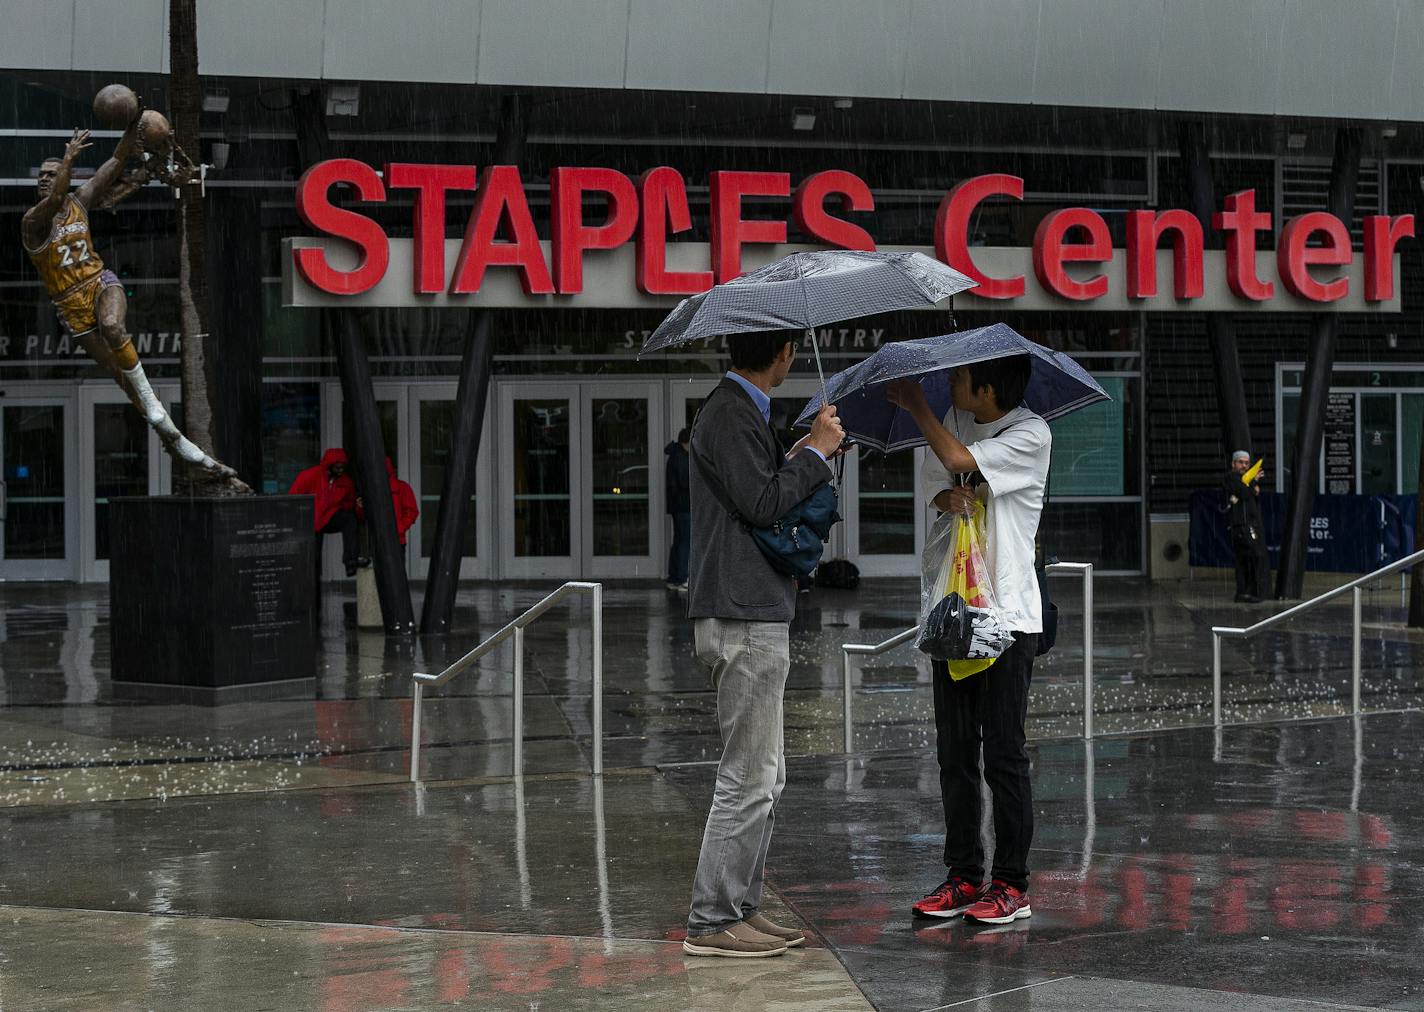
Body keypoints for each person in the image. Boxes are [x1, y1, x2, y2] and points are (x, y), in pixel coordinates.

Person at [682, 332, 845, 958]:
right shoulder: (729, 411)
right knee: (747, 776)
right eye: (791, 352)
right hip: (741, 612)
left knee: (765, 776)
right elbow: (761, 501)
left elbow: (758, 490)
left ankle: (738, 906)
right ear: (784, 355)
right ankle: (713, 918)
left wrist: (805, 449)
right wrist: (817, 455)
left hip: (753, 609)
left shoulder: (739, 411)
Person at [886, 355, 1051, 926]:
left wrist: (916, 407)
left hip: (1007, 618)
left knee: (1003, 756)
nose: (948, 383)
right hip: (953, 616)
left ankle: (1010, 884)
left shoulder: (1031, 433)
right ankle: (963, 876)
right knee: (955, 754)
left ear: (988, 387)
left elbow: (957, 461)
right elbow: (937, 486)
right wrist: (946, 500)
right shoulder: (954, 427)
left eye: (958, 378)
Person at [21, 124, 244, 491]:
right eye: (42, 177)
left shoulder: (79, 201)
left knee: (112, 327)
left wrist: (133, 122)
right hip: (70, 305)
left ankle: (157, 411)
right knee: (120, 379)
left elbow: (117, 160)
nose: (48, 181)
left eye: (52, 174)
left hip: (99, 284)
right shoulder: (31, 223)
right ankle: (179, 443)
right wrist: (68, 160)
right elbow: (57, 195)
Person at [289, 449, 368, 577]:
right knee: (313, 559)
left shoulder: (346, 482)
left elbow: (350, 502)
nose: (341, 470)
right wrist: (299, 519)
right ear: (329, 466)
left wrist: (353, 506)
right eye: (337, 467)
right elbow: (293, 498)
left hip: (328, 517)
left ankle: (351, 561)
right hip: (309, 520)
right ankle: (311, 584)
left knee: (349, 520)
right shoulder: (309, 476)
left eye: (342, 467)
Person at [1223, 450, 1268, 603]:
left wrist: (1254, 489)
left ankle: (1246, 591)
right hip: (1240, 524)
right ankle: (1247, 591)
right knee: (1253, 554)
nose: (1243, 465)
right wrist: (1253, 482)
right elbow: (1242, 492)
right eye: (1240, 462)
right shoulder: (1232, 478)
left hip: (1249, 523)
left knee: (1247, 557)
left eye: (1246, 463)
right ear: (1233, 463)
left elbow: (1250, 497)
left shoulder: (1245, 480)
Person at [665, 427, 691, 592]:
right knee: (684, 542)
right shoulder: (681, 457)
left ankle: (674, 577)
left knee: (679, 541)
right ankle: (681, 578)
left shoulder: (675, 456)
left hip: (678, 506)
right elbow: (685, 482)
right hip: (684, 505)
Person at [385, 457, 420, 550]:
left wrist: (399, 528)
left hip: (397, 540)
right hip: (379, 541)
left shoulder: (402, 487)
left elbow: (412, 512)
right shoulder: (372, 489)